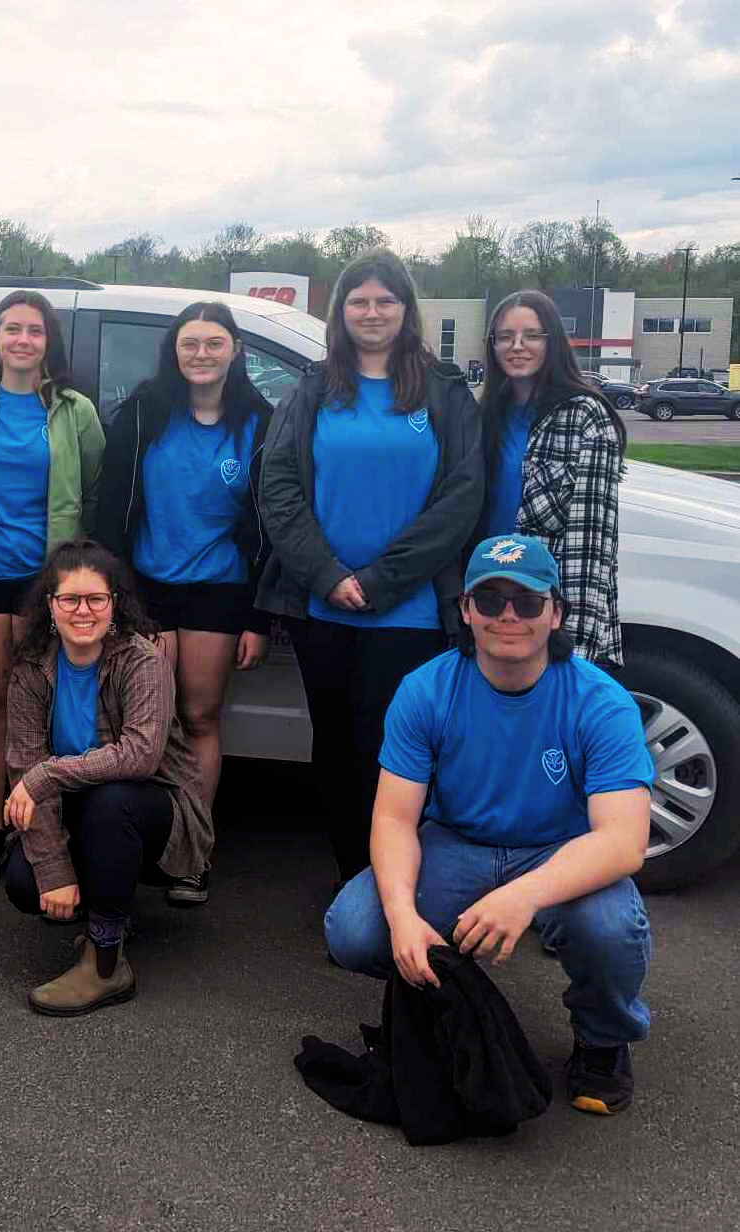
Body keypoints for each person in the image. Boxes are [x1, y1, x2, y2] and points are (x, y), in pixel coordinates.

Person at [324, 534, 654, 1116]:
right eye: (491, 598)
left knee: (608, 929)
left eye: (526, 602)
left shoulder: (600, 702)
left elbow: (624, 842)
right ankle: (449, 993)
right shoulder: (425, 690)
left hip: (558, 850)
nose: (508, 615)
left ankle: (603, 1039)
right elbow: (394, 819)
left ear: (555, 612)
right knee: (356, 929)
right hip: (458, 843)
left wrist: (522, 897)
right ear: (466, 610)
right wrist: (403, 919)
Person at [257, 249, 484, 885]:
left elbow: (461, 496)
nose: (373, 312)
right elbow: (277, 486)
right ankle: (353, 877)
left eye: (386, 300)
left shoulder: (441, 391)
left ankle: (395, 878)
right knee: (332, 743)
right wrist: (328, 575)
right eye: (359, 301)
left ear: (406, 310)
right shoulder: (312, 387)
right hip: (321, 605)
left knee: (391, 749)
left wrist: (382, 580)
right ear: (342, 311)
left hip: (409, 609)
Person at [96, 302, 275, 904]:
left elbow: (271, 524)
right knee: (147, 720)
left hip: (220, 592)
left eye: (214, 343)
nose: (201, 354)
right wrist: (116, 597)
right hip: (146, 589)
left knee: (199, 718)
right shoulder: (146, 411)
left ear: (235, 350)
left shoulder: (260, 421)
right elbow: (110, 506)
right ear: (174, 350)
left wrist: (257, 617)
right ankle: (137, 835)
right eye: (190, 343)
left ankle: (191, 851)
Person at [3, 540, 212, 1016]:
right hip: (83, 805)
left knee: (111, 801)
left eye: (96, 599)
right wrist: (54, 872)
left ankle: (105, 962)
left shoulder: (142, 658)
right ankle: (108, 904)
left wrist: (46, 776)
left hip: (153, 808)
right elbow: (23, 761)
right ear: (49, 606)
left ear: (114, 603)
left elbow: (139, 757)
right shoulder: (31, 666)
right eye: (69, 599)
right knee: (23, 882)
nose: (83, 611)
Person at [0, 291, 105, 889]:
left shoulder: (75, 411)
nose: (21, 340)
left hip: (48, 583)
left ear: (47, 342)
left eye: (34, 331)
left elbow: (90, 489)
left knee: (39, 708)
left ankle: (41, 821)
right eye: (10, 328)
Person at [478, 289, 627, 665]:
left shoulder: (586, 418)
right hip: (488, 602)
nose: (517, 346)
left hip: (544, 612)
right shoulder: (483, 416)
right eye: (505, 337)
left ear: (553, 342)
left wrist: (571, 647)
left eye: (531, 335)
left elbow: (589, 548)